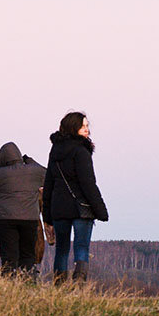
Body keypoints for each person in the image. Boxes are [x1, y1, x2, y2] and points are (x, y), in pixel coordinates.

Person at [41, 112, 109, 284]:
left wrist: (47, 214)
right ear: (74, 127)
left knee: (61, 250)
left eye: (87, 126)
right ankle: (78, 286)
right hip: (81, 208)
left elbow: (48, 182)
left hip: (59, 208)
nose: (87, 130)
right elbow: (88, 183)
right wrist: (101, 210)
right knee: (81, 248)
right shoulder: (81, 151)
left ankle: (59, 287)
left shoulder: (55, 151)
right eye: (83, 126)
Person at [0, 142, 47, 275]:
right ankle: (29, 281)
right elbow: (49, 175)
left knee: (9, 257)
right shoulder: (34, 171)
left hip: (6, 219)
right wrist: (30, 161)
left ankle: (9, 284)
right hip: (30, 219)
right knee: (28, 256)